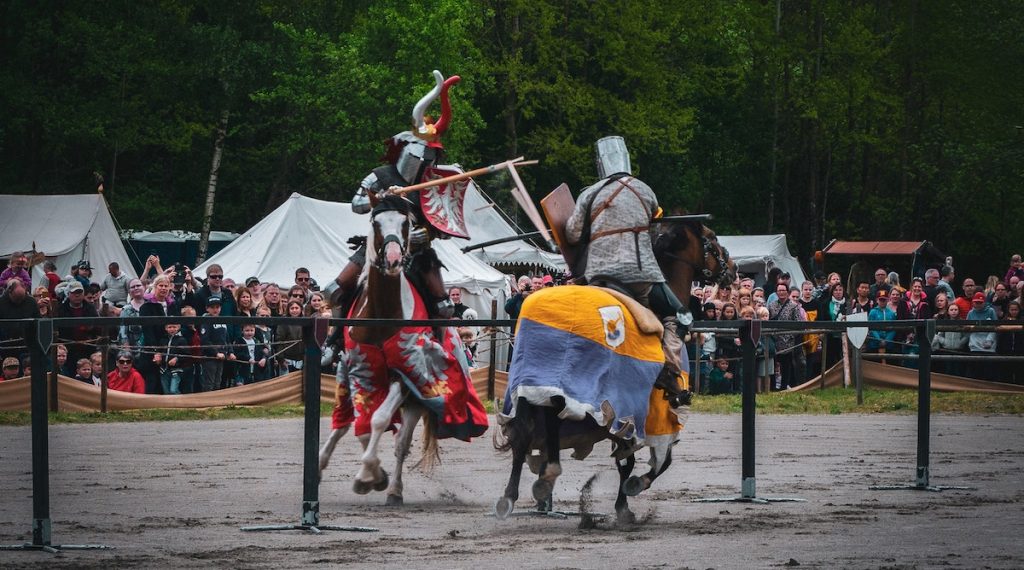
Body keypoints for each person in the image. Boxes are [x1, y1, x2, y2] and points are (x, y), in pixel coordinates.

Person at [564, 135, 690, 405]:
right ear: (626, 159)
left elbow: (572, 235)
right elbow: (654, 219)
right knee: (682, 314)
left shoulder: (589, 193)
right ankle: (668, 369)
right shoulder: (645, 190)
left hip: (598, 277)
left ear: (600, 164)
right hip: (641, 277)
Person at [331, 71, 463, 320]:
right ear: (406, 149)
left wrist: (427, 233)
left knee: (444, 306)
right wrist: (380, 196)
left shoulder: (434, 183)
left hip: (416, 249)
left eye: (430, 155)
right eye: (421, 152)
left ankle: (439, 345)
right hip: (378, 245)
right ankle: (334, 341)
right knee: (334, 289)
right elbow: (356, 205)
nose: (425, 159)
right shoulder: (380, 175)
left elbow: (445, 226)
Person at [55, 281, 99, 365]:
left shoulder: (90, 308)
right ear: (68, 294)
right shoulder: (61, 309)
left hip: (88, 348)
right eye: (74, 292)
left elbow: (97, 326)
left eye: (79, 292)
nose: (77, 295)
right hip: (68, 349)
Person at [768, 282, 801, 390]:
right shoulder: (772, 306)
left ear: (787, 292)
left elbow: (798, 323)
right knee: (773, 365)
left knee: (786, 365)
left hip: (788, 342)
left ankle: (784, 386)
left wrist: (791, 336)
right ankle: (772, 386)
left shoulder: (794, 306)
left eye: (783, 290)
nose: (781, 292)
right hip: (774, 340)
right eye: (779, 290)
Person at [199, 296, 229, 392]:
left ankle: (216, 404)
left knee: (217, 381)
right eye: (212, 307)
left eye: (217, 307)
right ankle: (207, 404)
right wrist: (216, 353)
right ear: (207, 308)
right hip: (210, 357)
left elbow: (226, 339)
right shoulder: (206, 321)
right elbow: (205, 340)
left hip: (222, 356)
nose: (215, 310)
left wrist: (229, 352)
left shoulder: (222, 321)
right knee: (209, 382)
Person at [966, 292, 997, 381]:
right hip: (975, 347)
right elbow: (967, 329)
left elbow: (995, 328)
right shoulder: (970, 313)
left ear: (984, 302)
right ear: (973, 302)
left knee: (988, 371)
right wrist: (971, 342)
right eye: (976, 302)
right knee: (975, 370)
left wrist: (989, 341)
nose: (978, 304)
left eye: (980, 302)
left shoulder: (991, 311)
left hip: (989, 347)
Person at [932, 302, 968, 377]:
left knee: (957, 370)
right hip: (946, 350)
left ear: (958, 311)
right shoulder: (945, 322)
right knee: (947, 370)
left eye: (955, 309)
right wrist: (944, 342)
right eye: (951, 310)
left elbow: (966, 335)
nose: (954, 311)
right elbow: (939, 335)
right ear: (948, 311)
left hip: (958, 350)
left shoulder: (962, 322)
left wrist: (960, 343)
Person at [155, 323, 190, 395]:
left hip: (176, 370)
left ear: (179, 327)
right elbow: (159, 351)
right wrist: (157, 356)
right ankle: (169, 405)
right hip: (164, 369)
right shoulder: (163, 339)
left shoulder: (182, 340)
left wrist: (177, 359)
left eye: (174, 327)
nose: (172, 329)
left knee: (173, 390)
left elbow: (186, 354)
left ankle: (180, 403)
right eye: (169, 327)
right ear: (165, 328)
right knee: (166, 391)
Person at [995, 301, 1023, 384]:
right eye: (1012, 310)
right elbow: (1000, 337)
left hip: (1020, 351)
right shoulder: (1004, 321)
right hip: (1006, 351)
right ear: (1008, 310)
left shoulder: (1022, 320)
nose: (1014, 312)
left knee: (1020, 373)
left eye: (1016, 310)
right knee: (1006, 373)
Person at [275, 300, 305, 373]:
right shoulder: (284, 322)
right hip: (287, 359)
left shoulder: (305, 322)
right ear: (288, 310)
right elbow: (279, 341)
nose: (294, 310)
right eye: (292, 308)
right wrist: (281, 359)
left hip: (301, 359)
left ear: (301, 309)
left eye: (296, 308)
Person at [867, 290, 896, 363]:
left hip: (888, 344)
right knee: (874, 364)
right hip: (874, 344)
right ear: (877, 300)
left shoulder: (891, 313)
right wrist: (879, 339)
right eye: (881, 299)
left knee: (890, 364)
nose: (883, 301)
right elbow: (871, 327)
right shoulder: (873, 312)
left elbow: (893, 329)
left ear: (888, 300)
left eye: (884, 300)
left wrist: (887, 340)